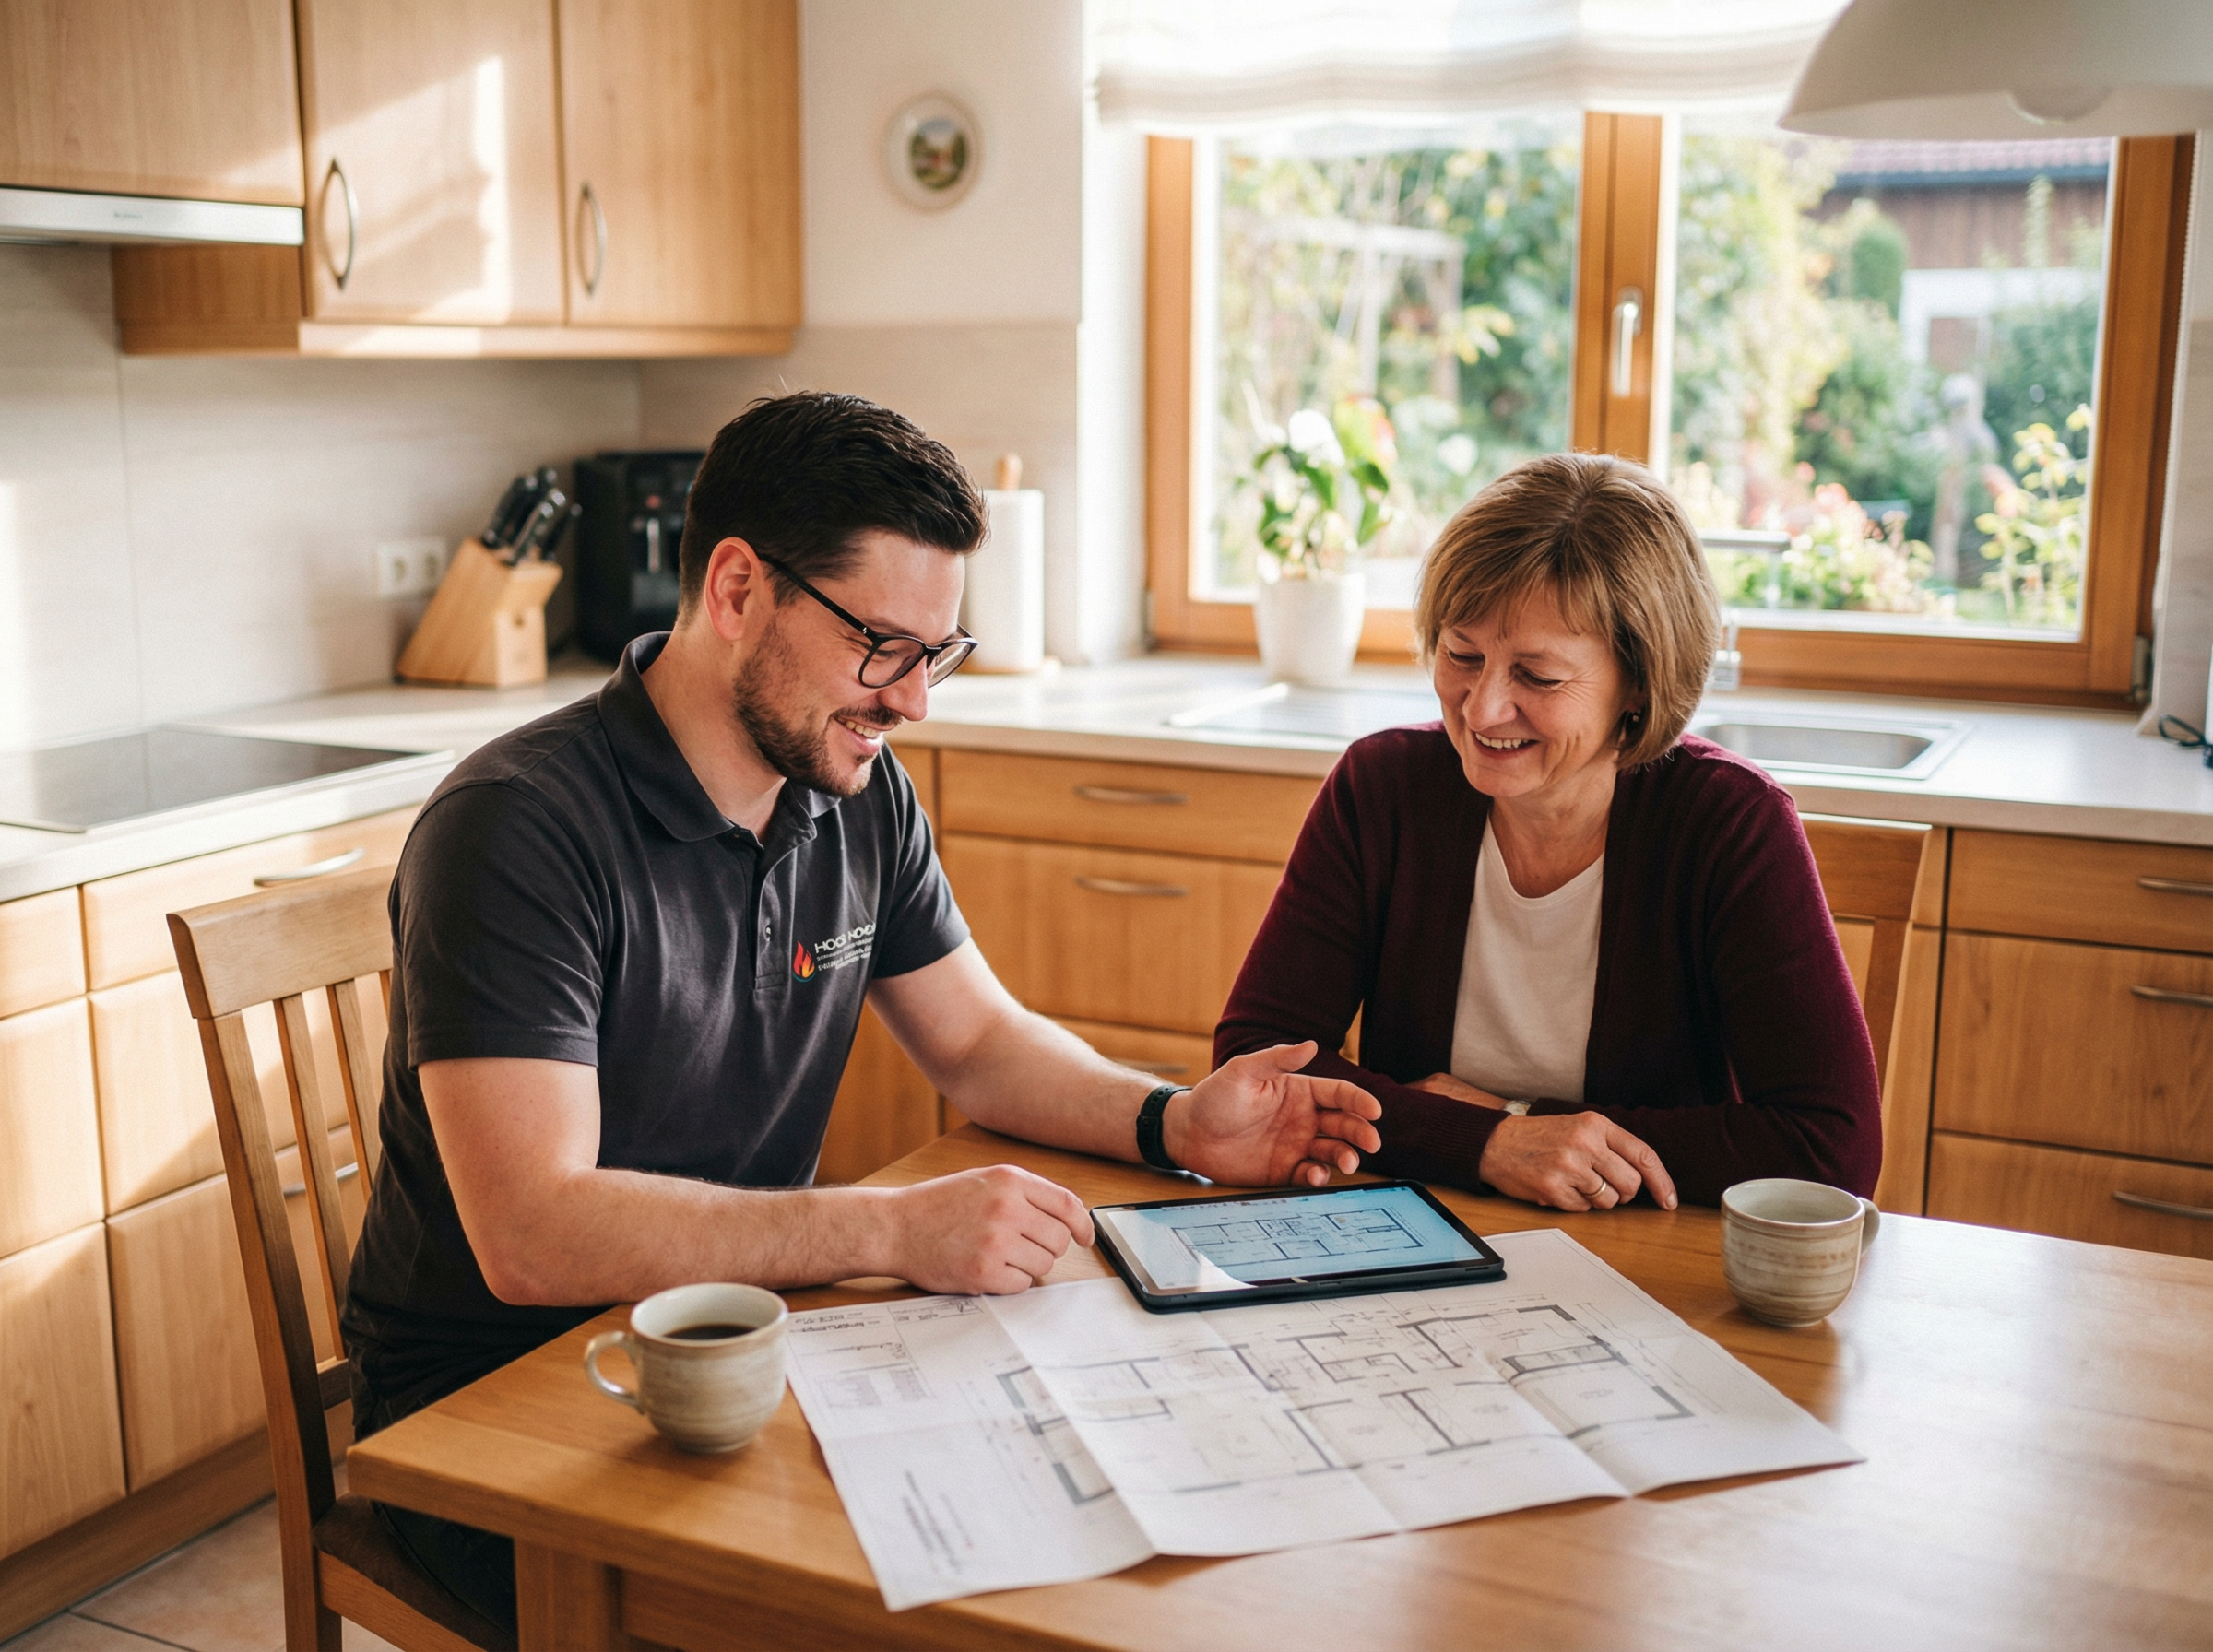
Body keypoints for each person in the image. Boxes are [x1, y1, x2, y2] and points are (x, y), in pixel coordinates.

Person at [341, 392, 1381, 1631]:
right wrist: (887, 1229)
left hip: (750, 1340)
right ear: (738, 590)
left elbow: (980, 1042)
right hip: (498, 1406)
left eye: (937, 653)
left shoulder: (856, 790)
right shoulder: (516, 829)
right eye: (883, 645)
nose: (914, 701)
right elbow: (535, 1232)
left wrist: (1174, 1125)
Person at [1215, 451, 1881, 1216]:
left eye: (1537, 676)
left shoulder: (1729, 824)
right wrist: (1488, 1143)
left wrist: (1510, 1122)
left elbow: (1830, 1149)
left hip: (1641, 1253)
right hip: (1419, 1222)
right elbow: (1255, 1064)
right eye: (1462, 655)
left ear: (1639, 683)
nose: (1482, 708)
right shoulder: (1382, 789)